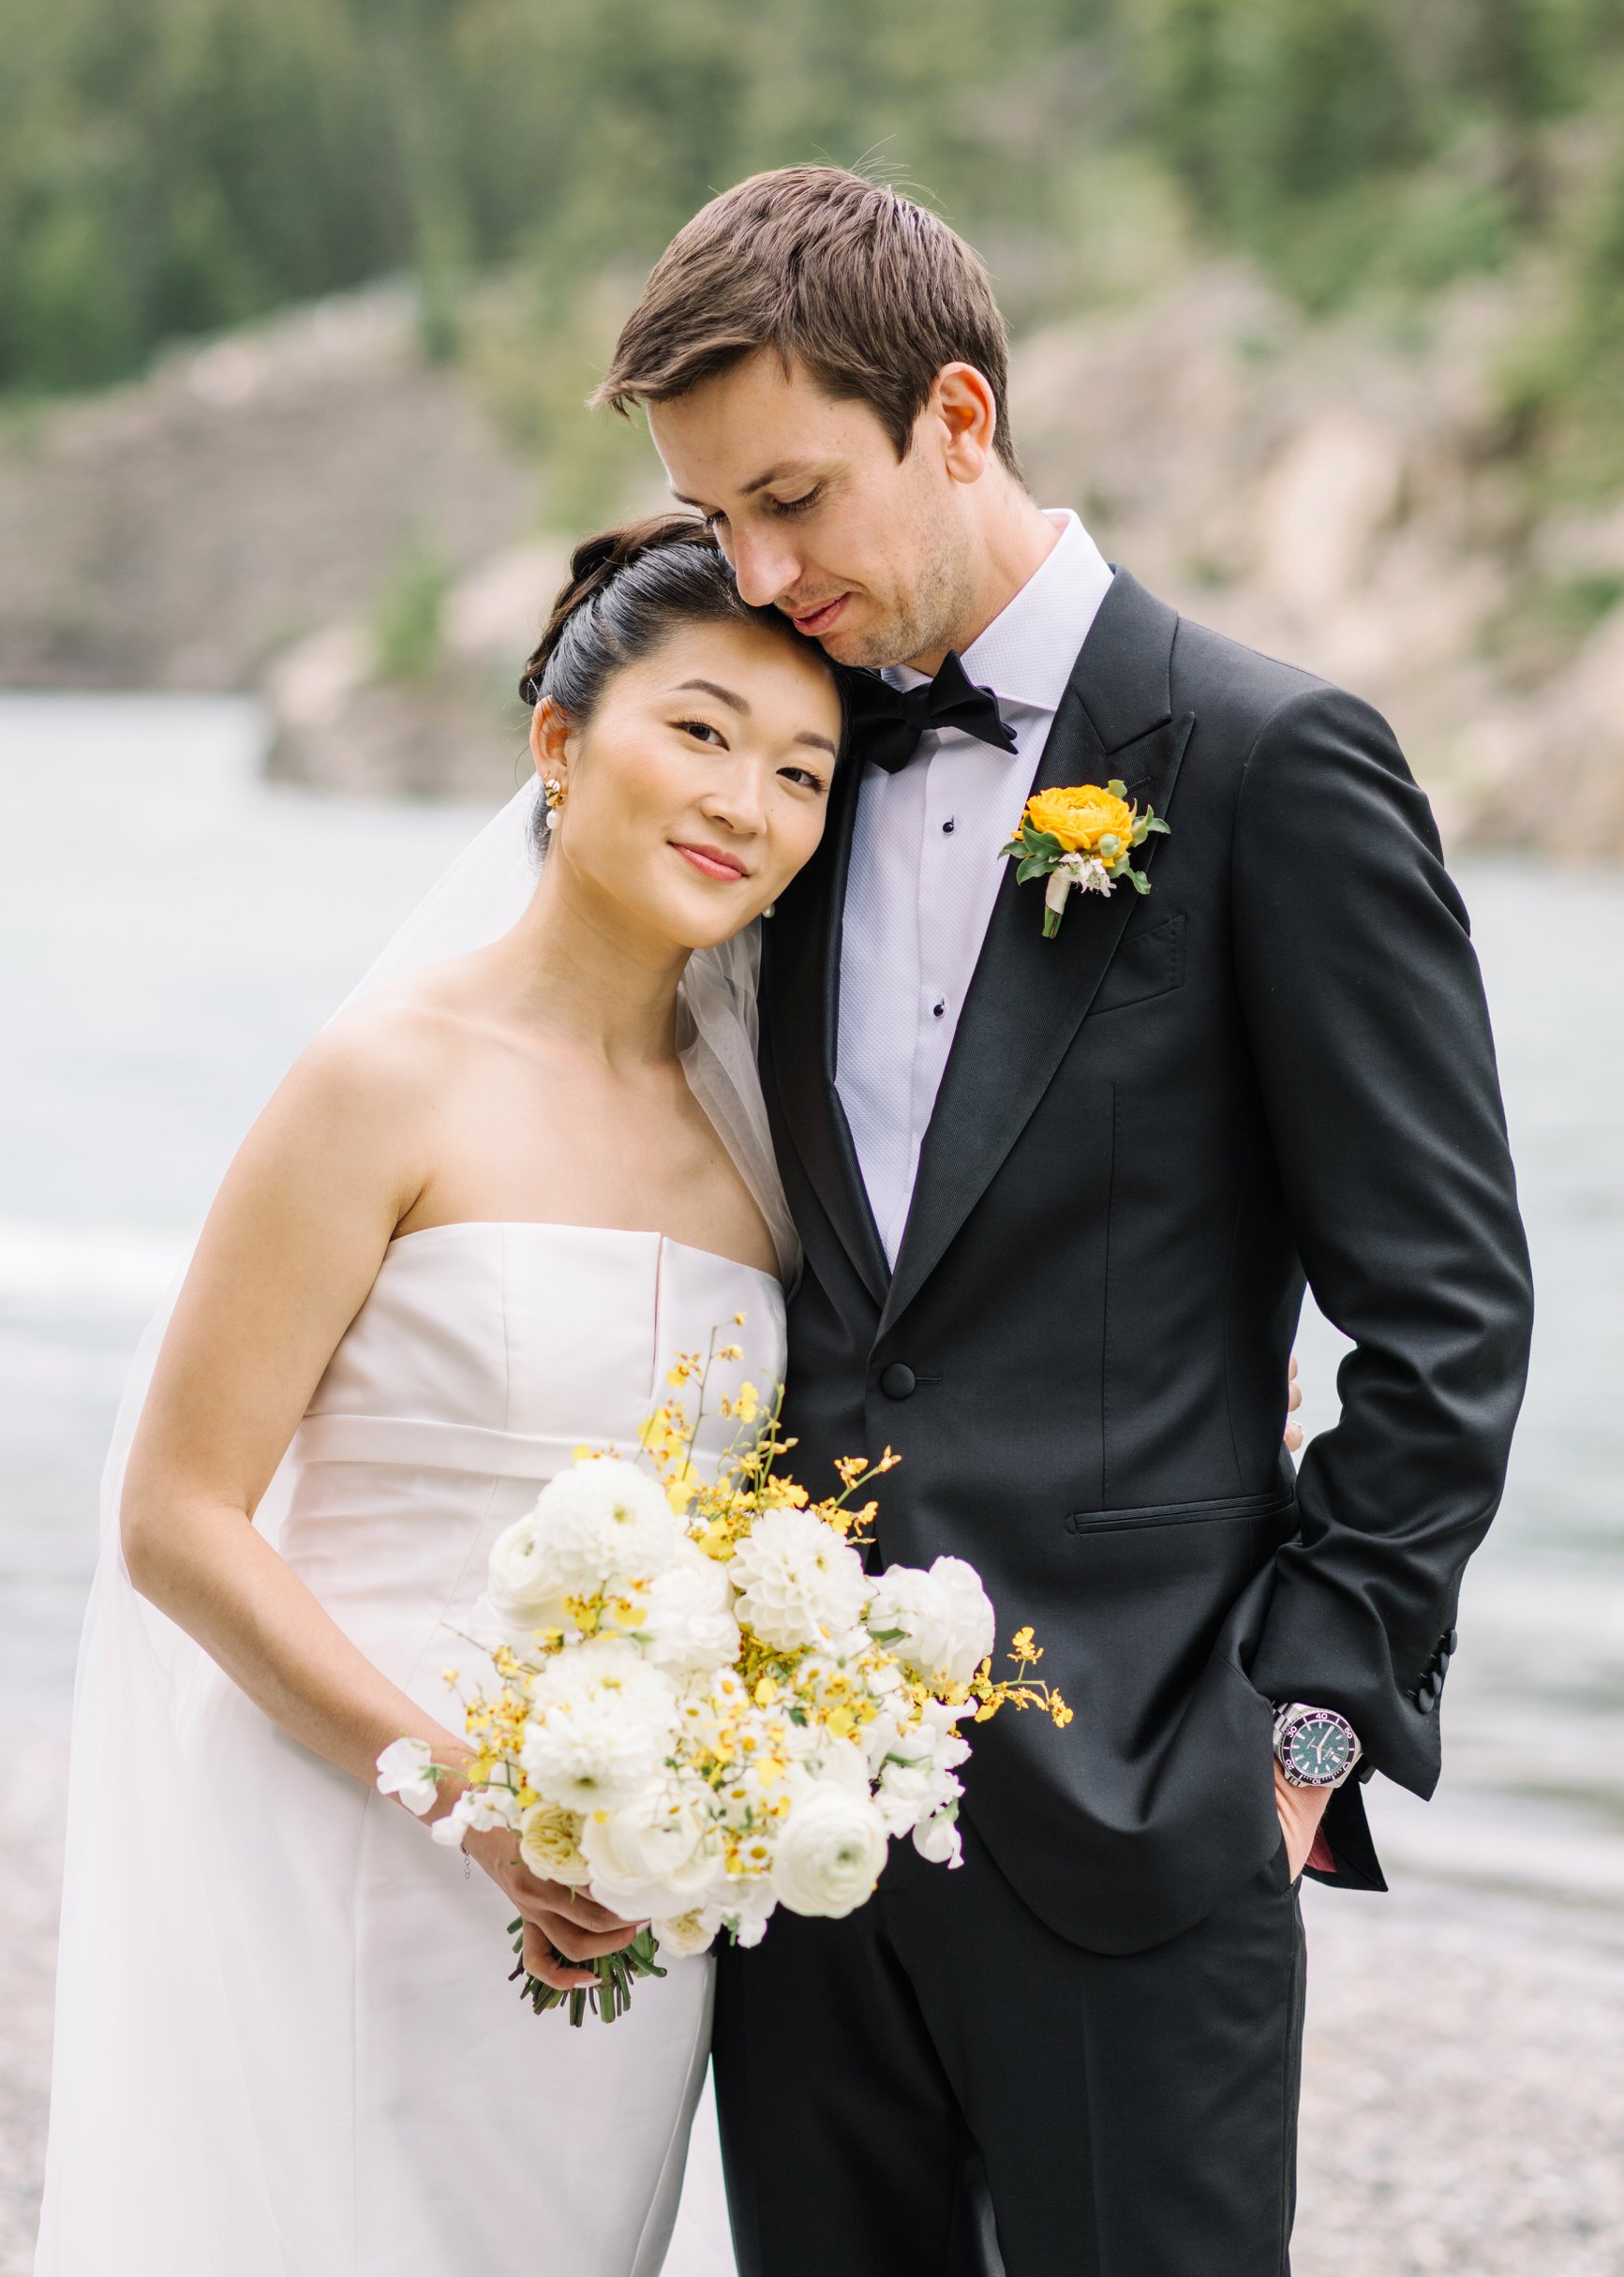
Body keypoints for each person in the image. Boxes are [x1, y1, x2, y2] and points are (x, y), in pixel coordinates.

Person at [594, 167, 1534, 2276]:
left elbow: (1449, 1312)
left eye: (794, 499)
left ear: (956, 415)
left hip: (1147, 1815)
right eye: (717, 521)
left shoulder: (1280, 765)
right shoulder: (783, 771)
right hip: (795, 1831)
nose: (763, 572)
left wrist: (1296, 1737)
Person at [33, 521, 842, 2277]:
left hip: (630, 1882)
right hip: (358, 1830)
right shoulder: (383, 1078)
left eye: (801, 770)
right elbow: (178, 1517)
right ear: (559, 741)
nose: (747, 803)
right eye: (700, 732)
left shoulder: (772, 1143)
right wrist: (474, 1801)